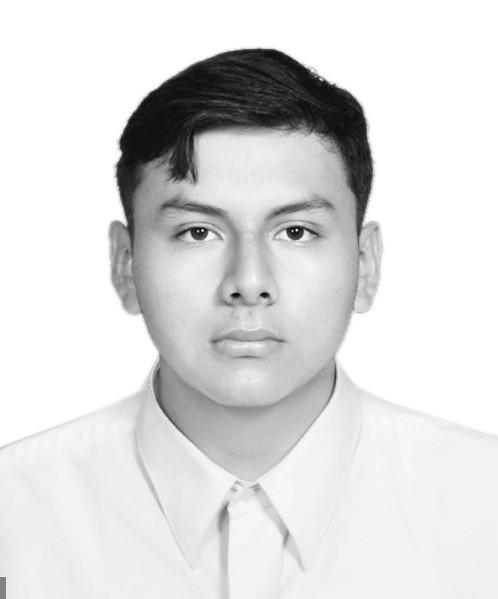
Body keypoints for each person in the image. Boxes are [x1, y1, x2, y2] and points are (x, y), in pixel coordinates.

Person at [1, 48, 497, 599]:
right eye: (197, 232)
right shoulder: (13, 515)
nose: (248, 282)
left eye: (296, 232)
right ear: (125, 264)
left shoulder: (485, 507)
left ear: (365, 265)